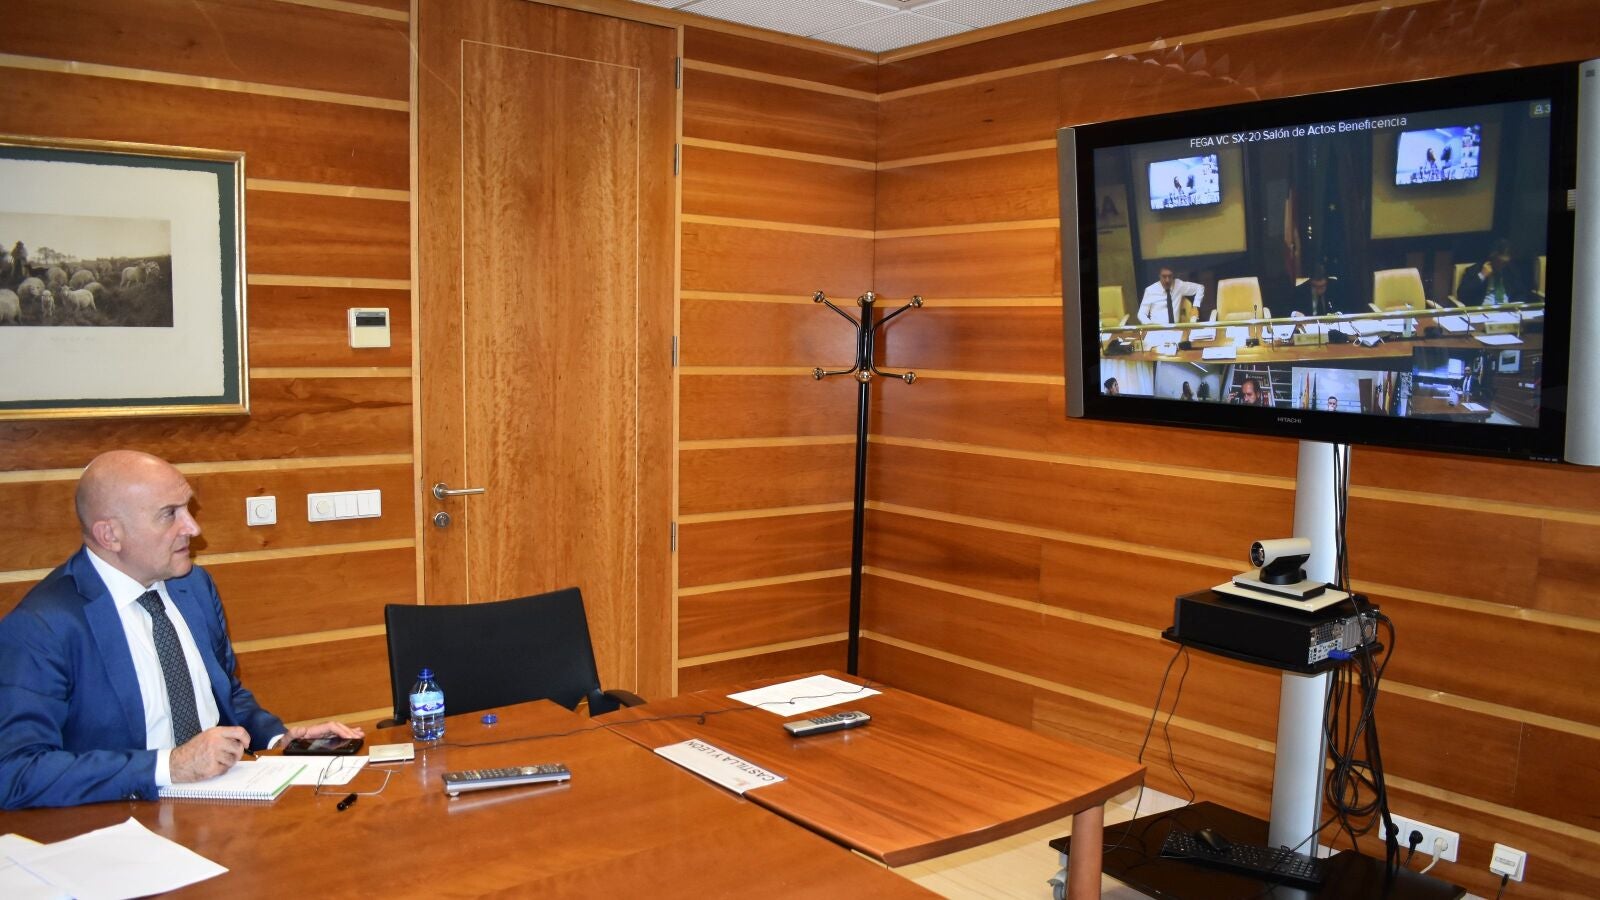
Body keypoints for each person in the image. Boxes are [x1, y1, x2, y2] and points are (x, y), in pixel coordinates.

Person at [0, 451, 363, 809]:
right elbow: (15, 772)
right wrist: (170, 766)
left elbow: (225, 693)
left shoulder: (192, 586)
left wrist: (280, 741)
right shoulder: (42, 626)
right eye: (169, 514)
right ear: (110, 535)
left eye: (187, 508)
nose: (192, 527)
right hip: (123, 820)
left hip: (224, 805)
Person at [1457, 238, 1524, 307]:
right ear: (1492, 256)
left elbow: (1520, 293)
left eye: (1505, 263)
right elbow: (1462, 294)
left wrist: (1516, 306)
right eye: (1499, 262)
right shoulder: (1475, 269)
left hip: (1507, 309)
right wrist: (1482, 275)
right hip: (1484, 310)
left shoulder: (1510, 270)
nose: (1501, 266)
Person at [1137, 265, 1204, 325]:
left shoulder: (1179, 285)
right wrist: (1150, 325)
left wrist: (1195, 306)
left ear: (1173, 276)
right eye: (1164, 276)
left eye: (1170, 276)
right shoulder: (1150, 290)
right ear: (1159, 276)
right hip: (1157, 330)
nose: (1167, 280)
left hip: (1175, 329)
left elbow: (1200, 288)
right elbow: (1141, 314)